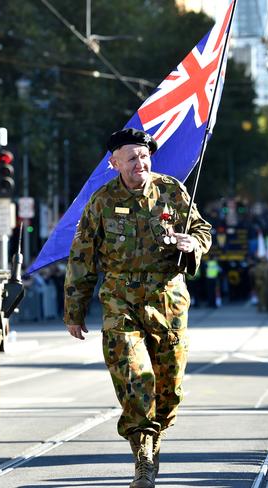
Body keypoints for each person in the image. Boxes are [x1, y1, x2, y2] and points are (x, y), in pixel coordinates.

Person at [63, 128, 212, 487]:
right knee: (134, 378)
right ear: (115, 163)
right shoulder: (100, 201)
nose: (140, 163)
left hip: (168, 302)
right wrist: (74, 310)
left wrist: (192, 242)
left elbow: (202, 230)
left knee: (168, 390)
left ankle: (154, 434)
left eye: (144, 156)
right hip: (120, 302)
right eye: (131, 158)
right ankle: (142, 454)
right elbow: (82, 257)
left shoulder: (173, 191)